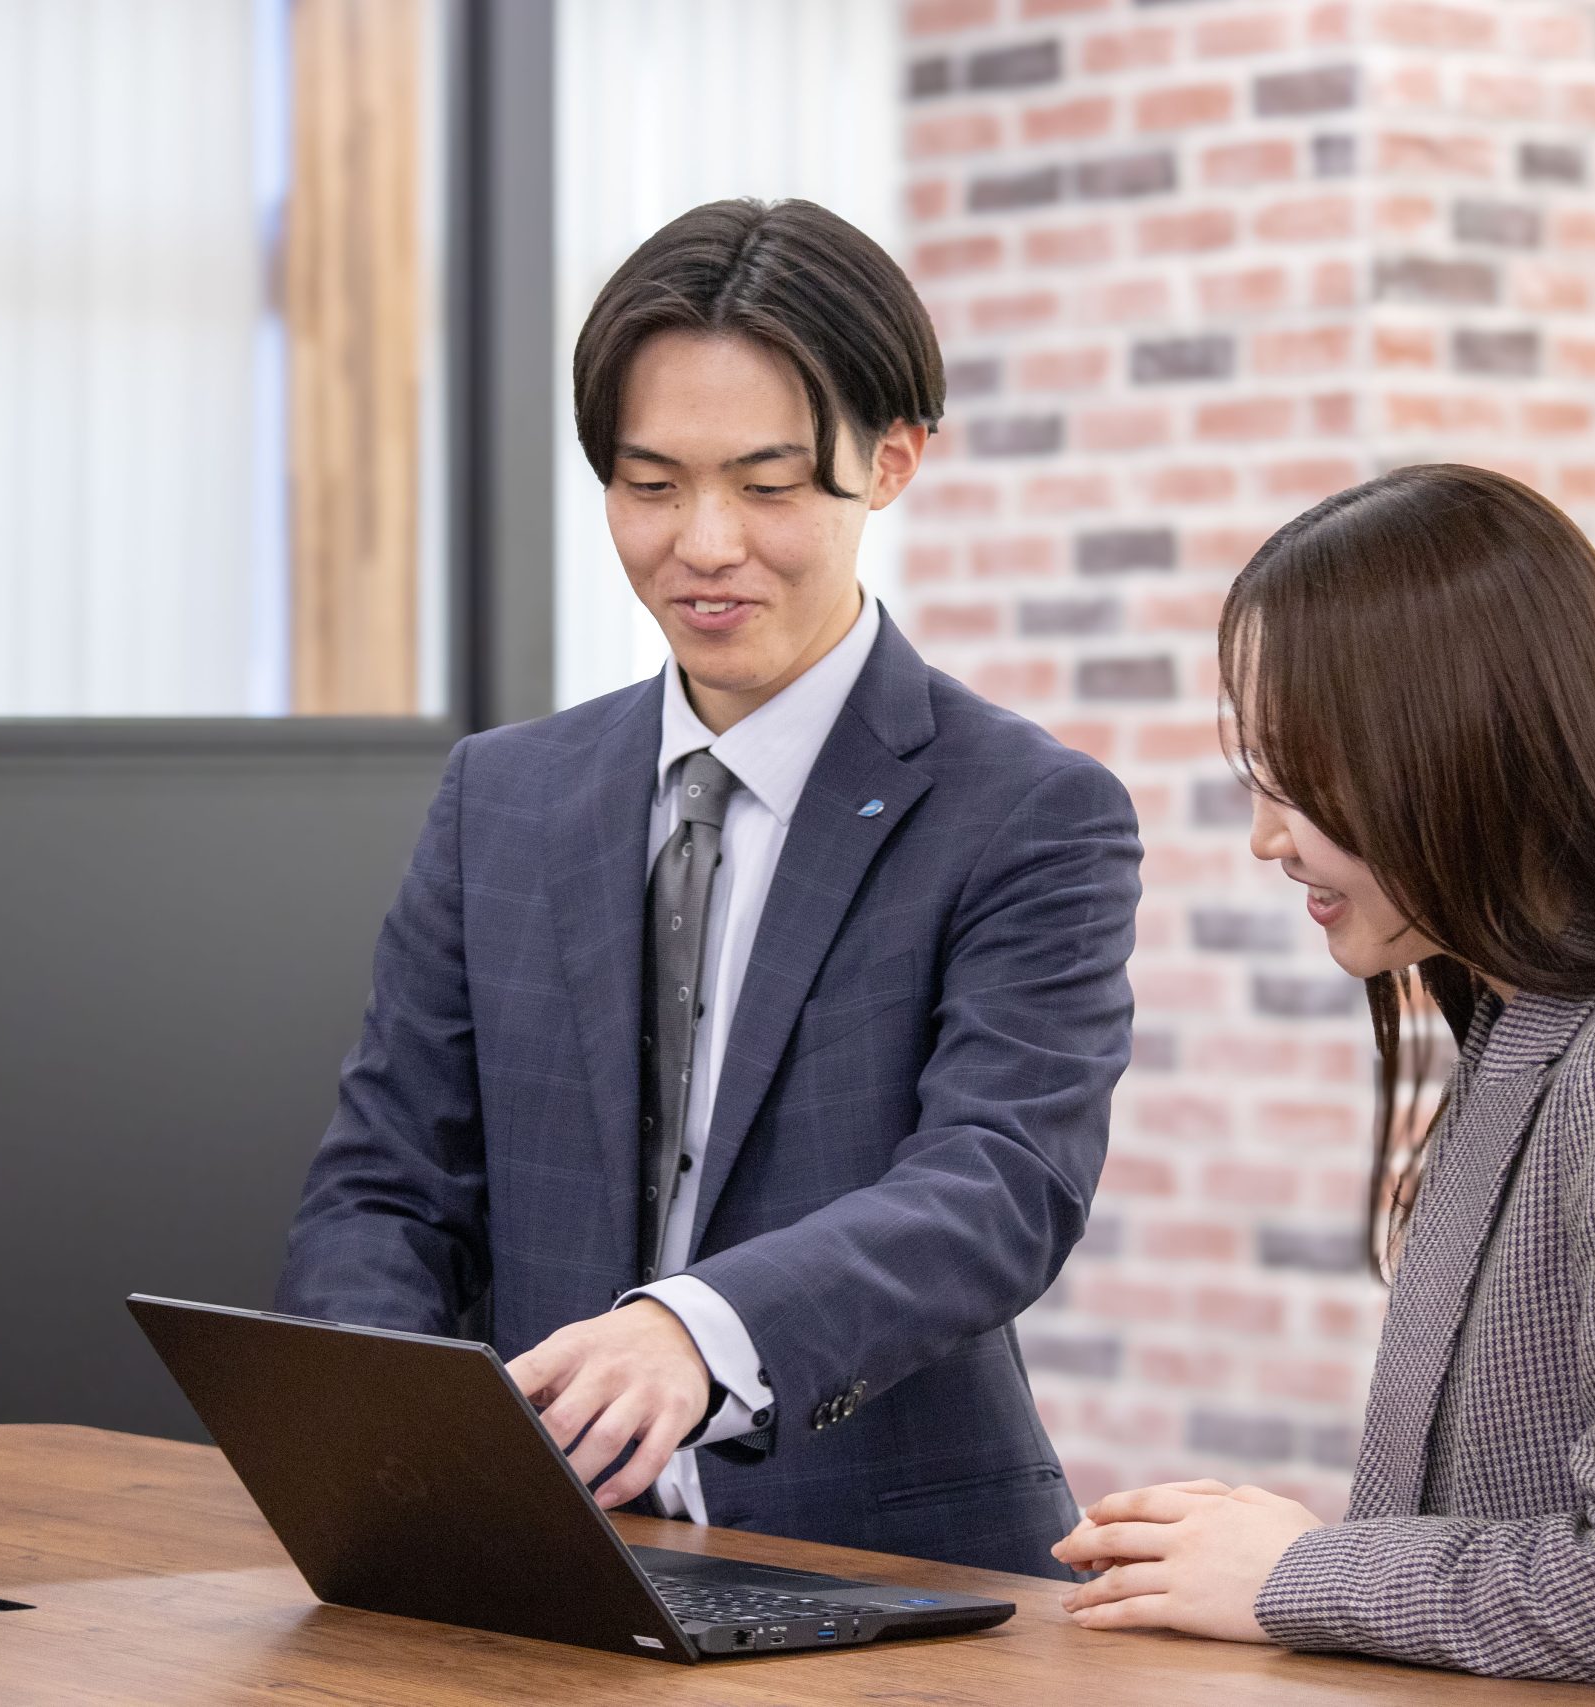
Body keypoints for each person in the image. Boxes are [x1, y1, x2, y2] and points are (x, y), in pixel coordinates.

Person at [277, 198, 1141, 1577]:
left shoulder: (1028, 810)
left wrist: (699, 1326)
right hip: (531, 1553)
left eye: (767, 482)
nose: (705, 541)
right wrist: (389, 1453)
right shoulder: (501, 797)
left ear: (893, 461)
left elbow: (1000, 1181)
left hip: (892, 1576)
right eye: (653, 481)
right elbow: (389, 1186)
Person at [1053, 464, 1595, 1705]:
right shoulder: (1525, 1034)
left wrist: (1298, 1572)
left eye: (1297, 770)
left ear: (1453, 744)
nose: (1266, 836)